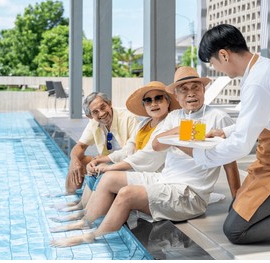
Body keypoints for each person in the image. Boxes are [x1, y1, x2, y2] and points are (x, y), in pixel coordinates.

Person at [49, 67, 240, 247]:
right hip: (164, 179)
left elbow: (230, 162)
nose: (190, 93)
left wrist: (236, 202)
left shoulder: (218, 117)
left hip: (189, 193)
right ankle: (85, 221)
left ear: (203, 90)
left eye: (195, 88)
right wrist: (185, 131)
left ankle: (92, 236)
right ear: (177, 95)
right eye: (184, 89)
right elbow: (157, 144)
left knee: (127, 194)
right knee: (109, 178)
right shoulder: (174, 117)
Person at [176, 24, 270, 246]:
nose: (217, 69)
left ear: (224, 55)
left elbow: (240, 145)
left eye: (213, 63)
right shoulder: (261, 68)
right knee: (235, 208)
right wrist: (224, 131)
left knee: (236, 230)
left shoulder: (258, 81)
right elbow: (260, 119)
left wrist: (199, 156)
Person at [50, 81, 181, 222]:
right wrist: (100, 160)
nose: (153, 103)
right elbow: (127, 149)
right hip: (126, 162)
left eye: (159, 98)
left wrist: (109, 166)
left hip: (143, 168)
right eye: (148, 100)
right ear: (90, 116)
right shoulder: (145, 124)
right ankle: (79, 204)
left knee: (103, 174)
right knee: (87, 164)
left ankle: (87, 216)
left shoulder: (157, 122)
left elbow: (143, 157)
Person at [64, 91, 138, 195]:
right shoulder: (94, 123)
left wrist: (104, 161)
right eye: (95, 112)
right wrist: (74, 161)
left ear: (110, 104)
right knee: (79, 159)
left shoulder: (128, 118)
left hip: (128, 164)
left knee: (92, 163)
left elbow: (134, 153)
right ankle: (70, 194)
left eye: (103, 107)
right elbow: (80, 146)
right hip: (107, 161)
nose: (102, 113)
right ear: (90, 116)